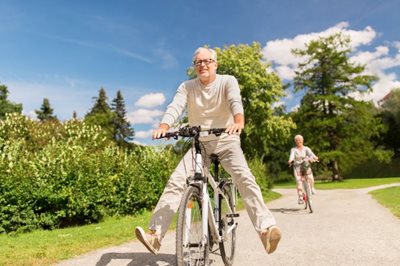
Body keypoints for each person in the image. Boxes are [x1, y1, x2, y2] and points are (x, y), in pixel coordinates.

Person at [134, 47, 281, 255]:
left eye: (207, 61)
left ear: (215, 64)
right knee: (176, 181)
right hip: (200, 143)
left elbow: (234, 101)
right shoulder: (187, 86)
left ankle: (266, 230)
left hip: (227, 139)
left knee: (244, 177)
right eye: (198, 62)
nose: (203, 65)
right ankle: (155, 236)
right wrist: (164, 126)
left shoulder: (227, 81)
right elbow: (175, 106)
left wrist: (239, 121)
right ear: (194, 66)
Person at [288, 134, 319, 204]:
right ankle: (300, 197)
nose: (299, 141)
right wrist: (290, 160)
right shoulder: (293, 149)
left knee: (310, 177)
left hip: (305, 165)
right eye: (297, 140)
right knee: (299, 181)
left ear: (302, 140)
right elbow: (292, 156)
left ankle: (312, 187)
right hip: (297, 167)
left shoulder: (306, 148)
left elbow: (311, 154)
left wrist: (315, 157)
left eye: (300, 140)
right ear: (295, 142)